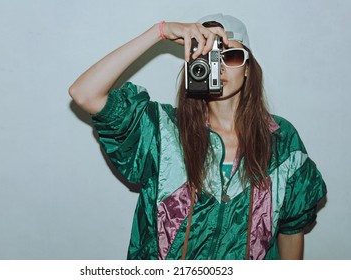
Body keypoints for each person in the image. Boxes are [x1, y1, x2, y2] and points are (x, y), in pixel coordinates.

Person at [69, 13, 327, 260]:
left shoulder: (281, 139)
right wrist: (161, 31)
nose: (221, 67)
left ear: (248, 68)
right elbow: (85, 93)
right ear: (194, 66)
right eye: (209, 56)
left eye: (232, 56)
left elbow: (291, 231)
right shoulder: (162, 131)